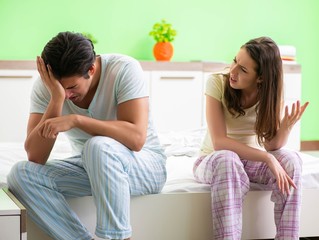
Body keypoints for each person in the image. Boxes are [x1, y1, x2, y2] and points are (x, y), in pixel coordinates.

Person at [7, 31, 167, 240]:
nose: (68, 95)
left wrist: (77, 120)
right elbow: (36, 157)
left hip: (144, 167)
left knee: (97, 146)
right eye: (60, 89)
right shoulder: (48, 88)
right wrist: (56, 99)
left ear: (91, 69)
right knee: (20, 174)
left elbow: (136, 139)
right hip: (92, 167)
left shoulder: (123, 69)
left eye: (72, 87)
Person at [193, 37, 309, 240]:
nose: (233, 71)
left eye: (243, 70)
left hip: (249, 162)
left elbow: (271, 145)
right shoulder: (217, 82)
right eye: (235, 61)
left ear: (261, 78)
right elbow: (219, 142)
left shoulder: (270, 94)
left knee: (291, 161)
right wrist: (267, 158)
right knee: (227, 159)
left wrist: (285, 128)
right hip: (215, 160)